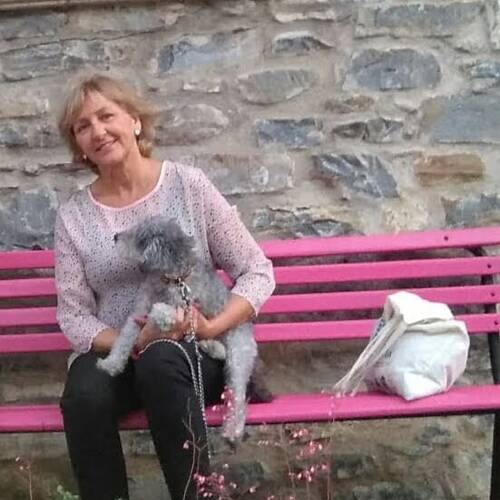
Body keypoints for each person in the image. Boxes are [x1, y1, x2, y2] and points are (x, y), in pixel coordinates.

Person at [54, 74, 275, 500]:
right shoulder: (73, 216)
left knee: (160, 361)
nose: (98, 131)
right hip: (119, 349)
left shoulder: (188, 186)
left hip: (193, 351)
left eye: (106, 116)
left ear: (135, 121)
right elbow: (74, 315)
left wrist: (211, 328)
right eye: (83, 126)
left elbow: (257, 271)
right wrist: (132, 341)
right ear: (78, 144)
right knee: (83, 393)